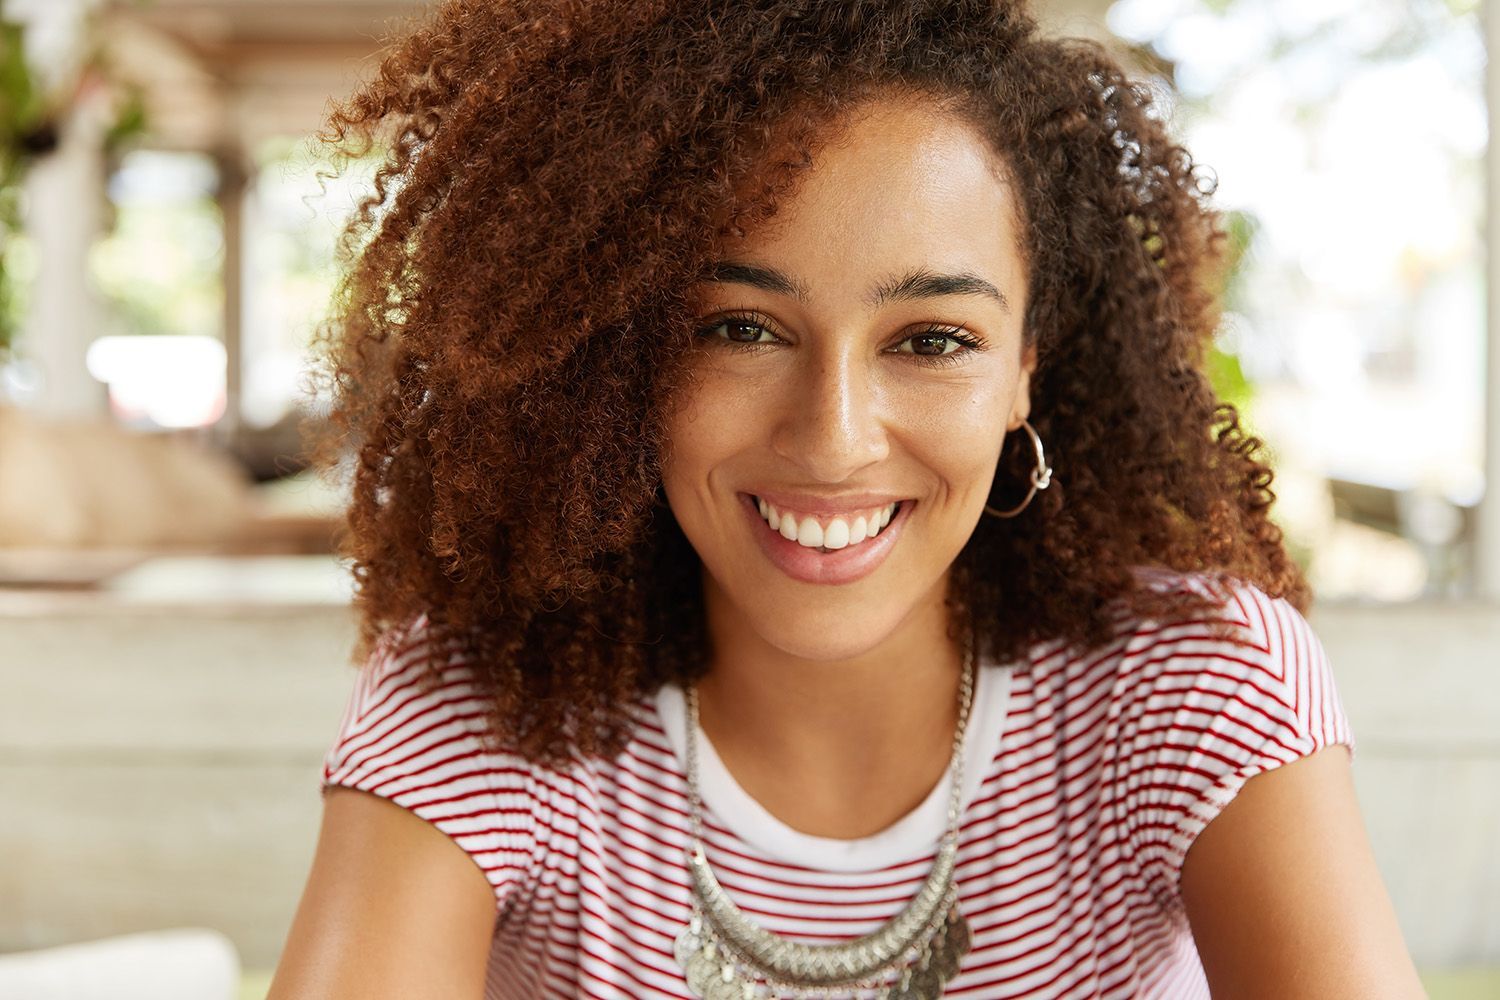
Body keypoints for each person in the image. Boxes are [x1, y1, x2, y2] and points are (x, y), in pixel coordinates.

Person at [268, 1, 1426, 997]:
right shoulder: (477, 702)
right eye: (740, 328)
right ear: (617, 354)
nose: (833, 435)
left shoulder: (1197, 683)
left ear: (1031, 362)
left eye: (930, 339)